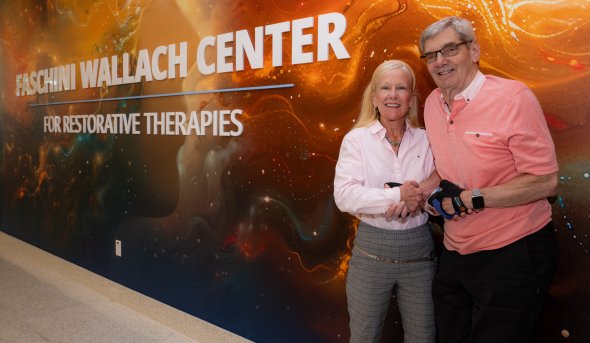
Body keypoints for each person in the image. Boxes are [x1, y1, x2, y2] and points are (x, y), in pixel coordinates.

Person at [418, 16, 559, 342]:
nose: (440, 61)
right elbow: (448, 166)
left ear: (474, 50)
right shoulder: (432, 104)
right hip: (455, 255)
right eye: (431, 55)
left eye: (449, 49)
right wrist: (425, 188)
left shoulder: (513, 98)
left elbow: (546, 181)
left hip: (513, 254)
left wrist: (473, 198)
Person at [334, 59, 438, 343]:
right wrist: (396, 196)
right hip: (370, 257)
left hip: (420, 257)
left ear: (411, 98)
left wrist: (423, 197)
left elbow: (440, 182)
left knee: (424, 337)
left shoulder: (428, 140)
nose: (393, 94)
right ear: (375, 97)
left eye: (401, 88)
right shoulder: (356, 140)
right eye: (386, 87)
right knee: (364, 337)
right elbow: (344, 195)